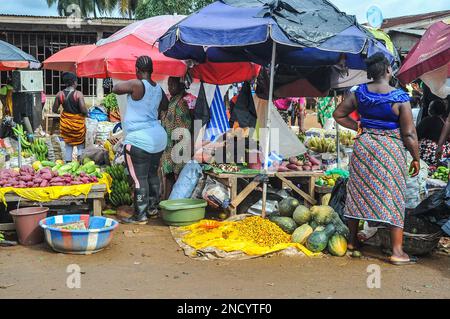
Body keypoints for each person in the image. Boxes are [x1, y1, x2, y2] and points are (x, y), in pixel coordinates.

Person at [333, 52, 420, 266]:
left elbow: (338, 114)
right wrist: (416, 158)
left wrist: (358, 127)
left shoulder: (359, 92)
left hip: (364, 147)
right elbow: (409, 134)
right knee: (393, 195)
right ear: (388, 70)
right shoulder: (400, 97)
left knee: (358, 192)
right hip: (389, 150)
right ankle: (397, 252)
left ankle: (352, 242)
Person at [112, 56, 168, 224]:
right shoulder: (158, 89)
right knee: (152, 175)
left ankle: (140, 216)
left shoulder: (137, 84)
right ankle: (152, 209)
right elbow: (164, 105)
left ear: (137, 70)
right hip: (157, 137)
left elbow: (116, 88)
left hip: (139, 139)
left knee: (139, 178)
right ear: (152, 70)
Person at [160, 77, 192, 199]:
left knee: (178, 175)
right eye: (168, 85)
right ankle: (167, 200)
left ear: (180, 85)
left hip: (178, 145)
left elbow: (184, 127)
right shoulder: (172, 101)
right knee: (168, 174)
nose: (170, 87)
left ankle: (175, 200)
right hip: (169, 146)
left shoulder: (181, 103)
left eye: (172, 85)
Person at [52, 72, 88, 162]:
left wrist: (62, 110)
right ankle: (80, 163)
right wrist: (86, 114)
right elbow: (83, 110)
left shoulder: (60, 94)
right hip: (78, 125)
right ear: (74, 82)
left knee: (68, 144)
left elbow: (54, 110)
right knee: (80, 144)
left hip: (66, 125)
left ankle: (68, 163)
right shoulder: (78, 94)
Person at [416, 99, 448, 166]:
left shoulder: (428, 120)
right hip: (443, 154)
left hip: (429, 153)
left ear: (433, 110)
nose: (428, 109)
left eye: (430, 107)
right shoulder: (446, 122)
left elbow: (416, 135)